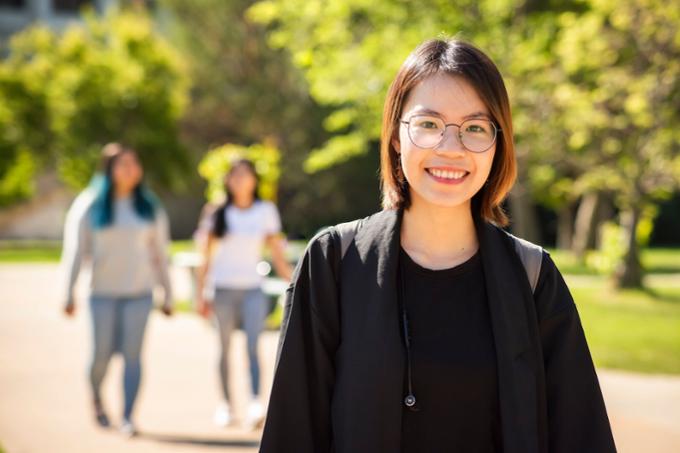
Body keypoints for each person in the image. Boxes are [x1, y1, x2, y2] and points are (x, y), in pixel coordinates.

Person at [259, 39, 617, 452]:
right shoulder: (334, 263)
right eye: (428, 125)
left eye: (475, 128)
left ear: (498, 143)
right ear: (396, 135)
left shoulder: (532, 276)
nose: (451, 148)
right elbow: (292, 432)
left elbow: (580, 434)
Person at [61, 143, 173, 437]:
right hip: (102, 295)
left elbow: (161, 253)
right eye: (122, 164)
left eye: (134, 163)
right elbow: (75, 251)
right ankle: (97, 397)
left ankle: (128, 416)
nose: (130, 169)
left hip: (139, 294)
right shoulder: (89, 205)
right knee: (101, 356)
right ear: (109, 169)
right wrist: (68, 292)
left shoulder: (149, 207)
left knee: (133, 356)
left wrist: (168, 293)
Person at [195, 158, 292, 429]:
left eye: (245, 175)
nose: (240, 180)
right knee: (224, 348)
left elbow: (277, 253)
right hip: (222, 290)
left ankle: (254, 403)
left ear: (254, 180)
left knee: (253, 346)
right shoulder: (216, 211)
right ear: (227, 181)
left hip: (253, 289)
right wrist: (200, 294)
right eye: (235, 175)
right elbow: (205, 257)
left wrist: (295, 281)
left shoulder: (265, 210)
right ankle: (226, 404)